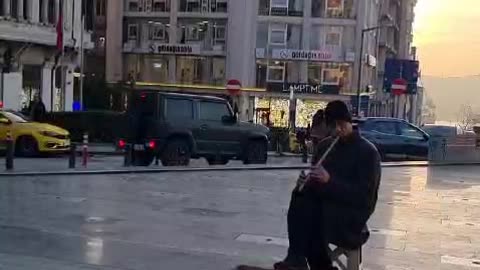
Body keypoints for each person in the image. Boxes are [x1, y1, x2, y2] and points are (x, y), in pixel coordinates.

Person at [274, 100, 382, 270]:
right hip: (325, 207)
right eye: (333, 126)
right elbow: (316, 188)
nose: (338, 130)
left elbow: (364, 198)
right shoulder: (325, 146)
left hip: (351, 217)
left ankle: (314, 264)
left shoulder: (368, 152)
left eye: (342, 124)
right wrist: (305, 183)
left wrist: (329, 181)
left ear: (350, 121)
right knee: (300, 197)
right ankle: (296, 257)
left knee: (312, 219)